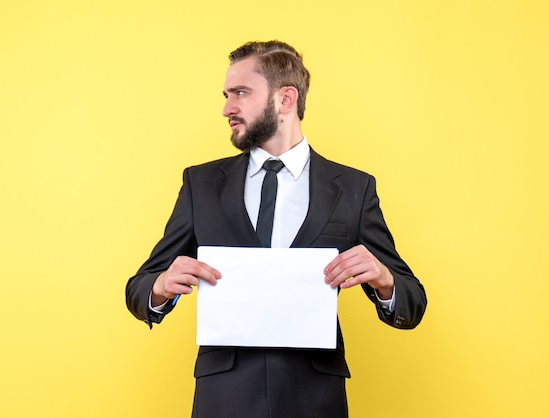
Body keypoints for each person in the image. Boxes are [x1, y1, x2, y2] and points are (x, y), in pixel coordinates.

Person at [126, 40, 427, 418]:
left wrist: (385, 281)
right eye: (226, 95)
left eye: (240, 93)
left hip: (314, 399)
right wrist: (159, 287)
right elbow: (139, 288)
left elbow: (412, 302)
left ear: (286, 99)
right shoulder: (200, 184)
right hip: (225, 398)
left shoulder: (353, 187)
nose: (226, 108)